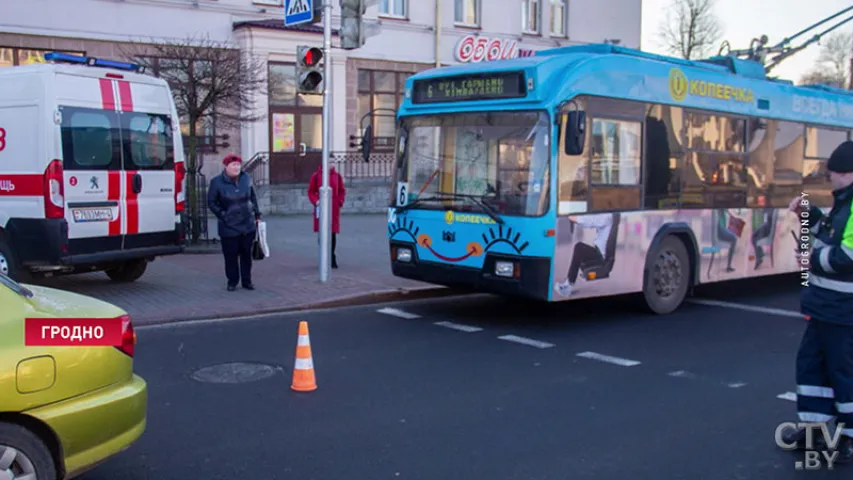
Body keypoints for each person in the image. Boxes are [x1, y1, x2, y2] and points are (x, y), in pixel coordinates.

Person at [781, 140, 853, 461]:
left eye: (833, 174)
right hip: (825, 306)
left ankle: (847, 438)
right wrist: (807, 214)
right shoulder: (843, 202)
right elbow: (830, 233)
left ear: (848, 174)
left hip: (844, 310)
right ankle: (816, 432)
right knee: (812, 368)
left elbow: (848, 255)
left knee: (843, 373)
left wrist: (813, 259)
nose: (830, 180)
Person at [207, 154, 261, 291]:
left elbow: (253, 197)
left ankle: (247, 281)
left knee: (246, 255)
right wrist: (223, 215)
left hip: (247, 224)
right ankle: (232, 281)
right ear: (226, 166)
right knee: (230, 256)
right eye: (233, 165)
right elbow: (211, 202)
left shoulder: (246, 179)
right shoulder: (216, 182)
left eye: (238, 165)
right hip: (228, 225)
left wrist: (257, 214)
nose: (236, 167)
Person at [553, 213, 616, 297]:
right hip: (599, 252)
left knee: (579, 248)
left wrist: (575, 218)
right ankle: (568, 283)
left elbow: (591, 221)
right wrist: (577, 219)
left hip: (601, 256)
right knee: (580, 248)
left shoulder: (607, 216)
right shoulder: (608, 215)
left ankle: (568, 287)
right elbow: (592, 219)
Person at [307, 164, 346, 268]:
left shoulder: (337, 176)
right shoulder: (316, 176)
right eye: (329, 161)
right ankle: (323, 256)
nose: (331, 164)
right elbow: (311, 191)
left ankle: (332, 256)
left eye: (332, 162)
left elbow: (342, 191)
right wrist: (316, 201)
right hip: (321, 208)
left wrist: (339, 202)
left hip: (333, 209)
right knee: (322, 233)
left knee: (332, 234)